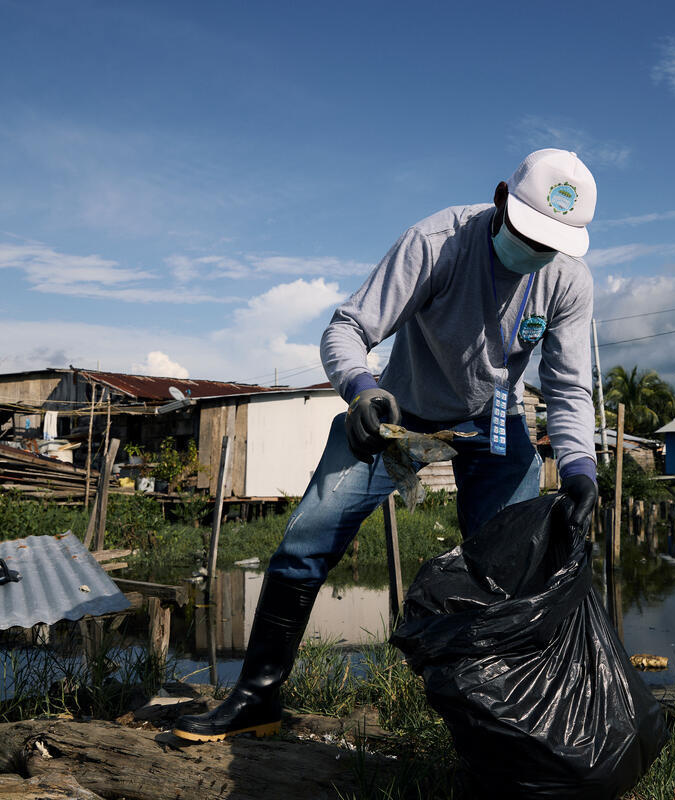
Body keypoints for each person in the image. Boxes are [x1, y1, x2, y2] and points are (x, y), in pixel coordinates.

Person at [174, 149, 601, 742]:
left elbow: (569, 386)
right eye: (529, 236)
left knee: (511, 572)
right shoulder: (437, 243)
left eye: (550, 244)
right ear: (503, 199)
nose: (534, 253)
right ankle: (257, 698)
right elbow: (347, 327)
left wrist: (580, 466)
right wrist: (362, 390)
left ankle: (502, 727)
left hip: (494, 422)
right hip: (397, 415)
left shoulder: (567, 281)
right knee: (306, 541)